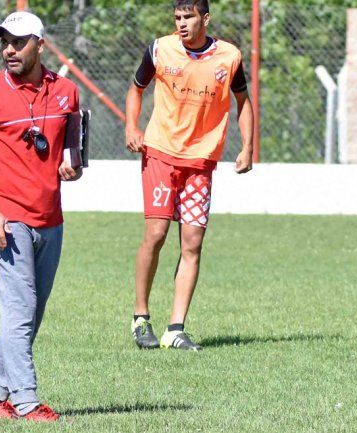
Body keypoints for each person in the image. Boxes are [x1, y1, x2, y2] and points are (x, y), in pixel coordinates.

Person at [0, 11, 81, 422]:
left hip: (51, 219)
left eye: (18, 41)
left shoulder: (66, 91)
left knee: (30, 314)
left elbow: (73, 150)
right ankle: (26, 402)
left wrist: (73, 166)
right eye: (4, 42)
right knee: (20, 310)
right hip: (7, 220)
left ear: (40, 45)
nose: (9, 49)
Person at [125, 0, 254, 350]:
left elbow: (243, 101)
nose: (181, 24)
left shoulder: (229, 57)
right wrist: (131, 127)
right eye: (177, 18)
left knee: (193, 243)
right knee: (156, 234)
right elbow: (136, 90)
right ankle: (140, 319)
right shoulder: (160, 49)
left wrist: (247, 147)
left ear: (205, 19)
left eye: (189, 17)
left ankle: (175, 329)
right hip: (160, 155)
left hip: (201, 162)